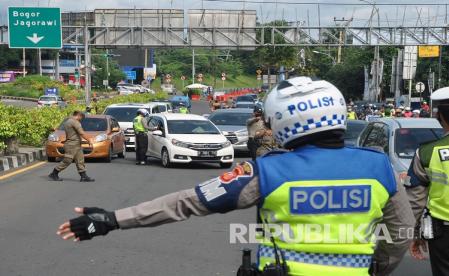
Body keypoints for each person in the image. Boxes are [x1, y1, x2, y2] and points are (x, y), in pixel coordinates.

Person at [57, 77, 415, 276]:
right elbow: (400, 232)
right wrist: (376, 267)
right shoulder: (378, 167)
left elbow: (188, 203)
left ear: (283, 122)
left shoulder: (269, 170)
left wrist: (112, 220)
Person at [406, 86, 449, 276]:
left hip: (446, 237)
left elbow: (415, 201)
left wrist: (414, 235)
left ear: (440, 117)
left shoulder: (426, 152)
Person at [48, 111, 95, 182]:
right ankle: (54, 173)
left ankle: (83, 176)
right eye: (81, 118)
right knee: (67, 160)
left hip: (76, 144)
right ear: (79, 116)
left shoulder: (68, 121)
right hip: (72, 145)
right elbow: (81, 133)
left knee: (80, 160)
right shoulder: (74, 122)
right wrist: (89, 140)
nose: (81, 120)